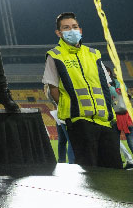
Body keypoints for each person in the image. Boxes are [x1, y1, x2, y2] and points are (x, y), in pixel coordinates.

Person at [42, 12, 120, 168]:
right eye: (66, 28)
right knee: (89, 170)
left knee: (114, 168)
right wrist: (72, 109)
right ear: (59, 33)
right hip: (79, 122)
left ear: (80, 30)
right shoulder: (55, 56)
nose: (72, 30)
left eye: (74, 27)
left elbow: (107, 85)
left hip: (106, 120)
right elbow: (53, 89)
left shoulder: (93, 54)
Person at [108, 66, 133, 168]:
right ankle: (127, 160)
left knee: (130, 138)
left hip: (123, 115)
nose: (107, 74)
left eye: (108, 72)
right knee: (114, 140)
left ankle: (129, 160)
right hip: (113, 115)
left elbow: (118, 94)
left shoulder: (118, 83)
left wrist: (109, 86)